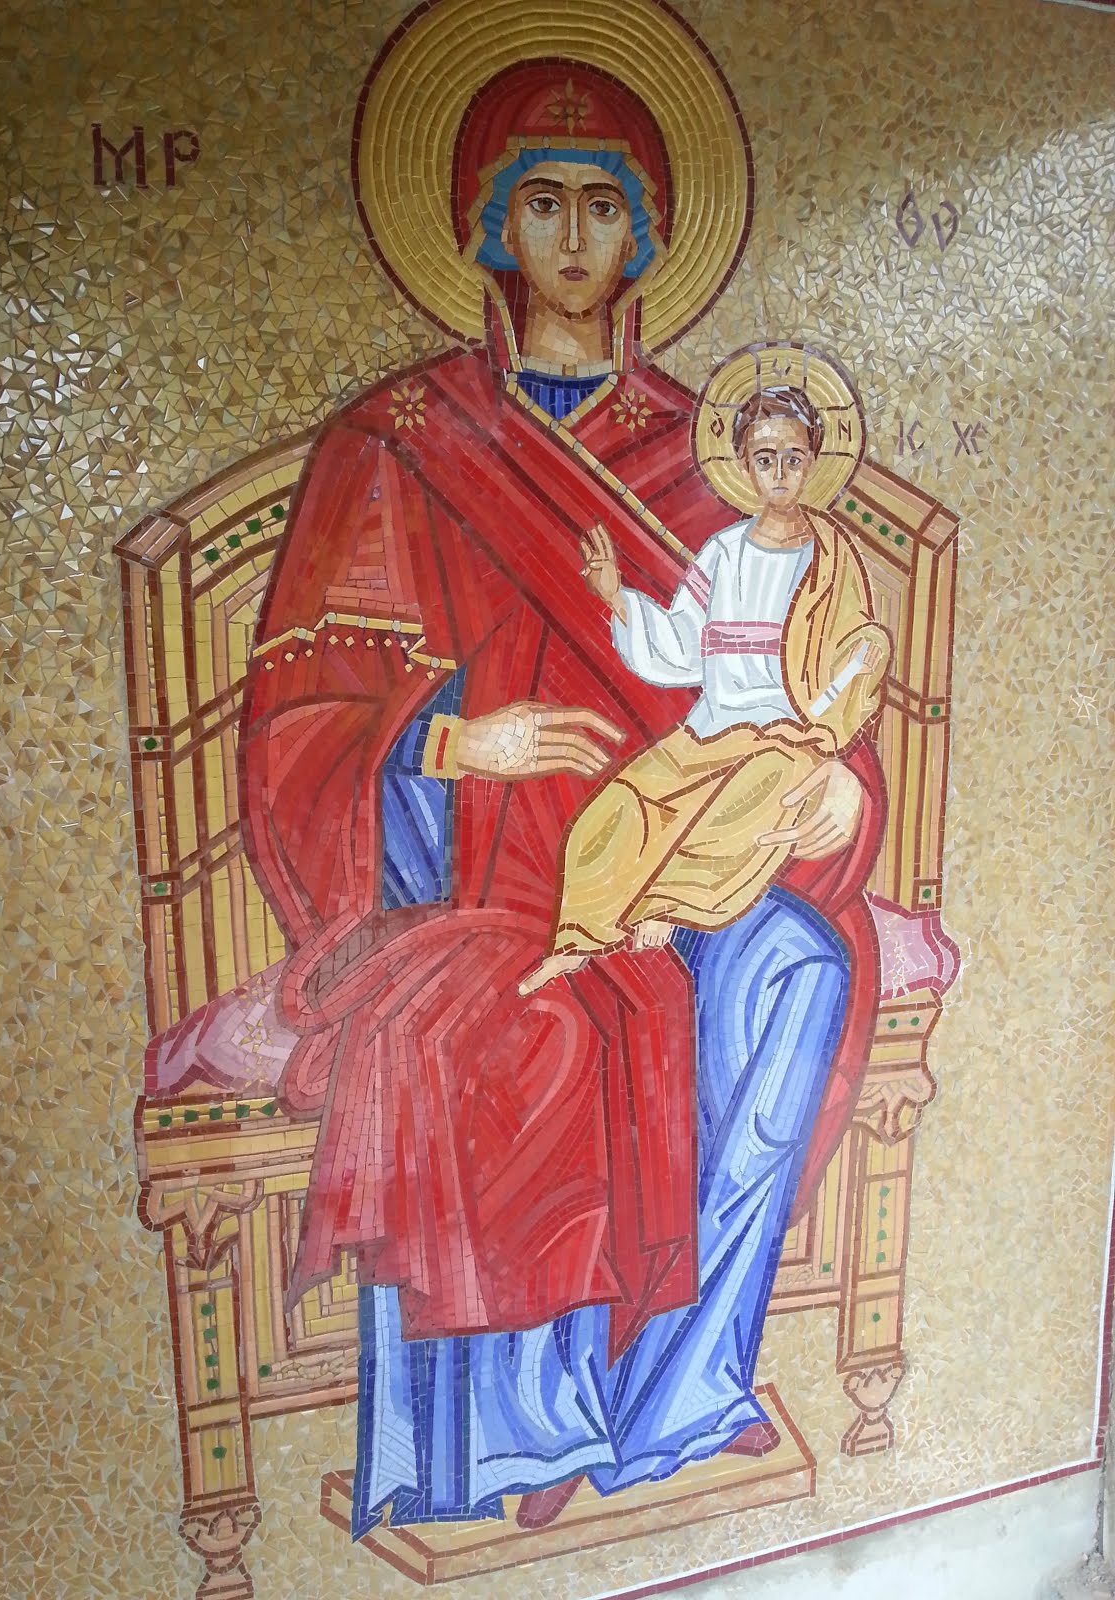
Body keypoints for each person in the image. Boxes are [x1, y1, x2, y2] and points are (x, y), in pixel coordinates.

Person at [240, 56, 886, 1535]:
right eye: (543, 202)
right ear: (490, 226)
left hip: (689, 851)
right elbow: (298, 726)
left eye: (606, 204)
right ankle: (516, 1440)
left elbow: (800, 676)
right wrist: (456, 747)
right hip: (470, 870)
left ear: (648, 231)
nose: (577, 237)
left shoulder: (716, 457)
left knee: (798, 970)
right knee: (528, 1026)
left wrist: (835, 798)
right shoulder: (399, 444)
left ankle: (677, 1393)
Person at [521, 386, 888, 995]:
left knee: (743, 808)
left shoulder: (832, 560)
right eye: (764, 458)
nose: (779, 472)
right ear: (744, 465)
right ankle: (576, 939)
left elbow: (859, 644)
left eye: (792, 458)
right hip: (708, 730)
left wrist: (854, 678)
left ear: (812, 463)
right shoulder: (724, 553)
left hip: (785, 738)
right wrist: (616, 598)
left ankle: (666, 906)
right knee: (619, 806)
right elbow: (680, 647)